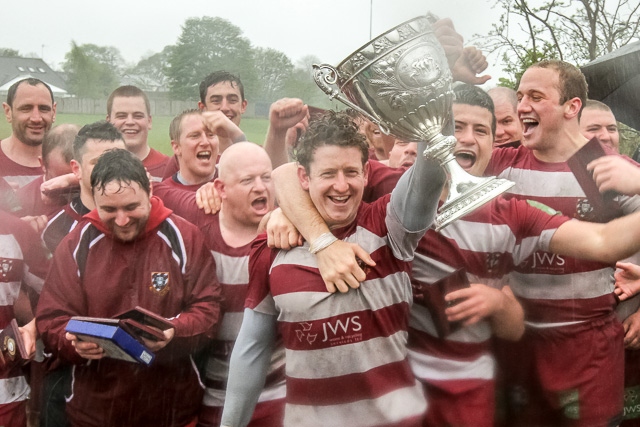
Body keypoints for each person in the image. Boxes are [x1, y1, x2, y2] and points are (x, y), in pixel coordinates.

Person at [220, 111, 446, 427]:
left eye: (351, 171)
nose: (341, 186)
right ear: (303, 178)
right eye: (328, 173)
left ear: (367, 172)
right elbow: (252, 350)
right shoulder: (271, 248)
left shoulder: (389, 226)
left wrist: (434, 95)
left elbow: (431, 171)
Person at [486, 59, 640, 426]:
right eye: (520, 96)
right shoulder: (500, 167)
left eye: (536, 96)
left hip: (589, 350)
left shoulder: (609, 169)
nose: (522, 105)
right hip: (517, 344)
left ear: (572, 107)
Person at [36, 148, 222, 427]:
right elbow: (51, 318)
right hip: (95, 413)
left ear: (149, 192)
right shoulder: (78, 243)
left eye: (131, 207)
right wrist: (73, 343)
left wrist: (176, 331)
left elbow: (209, 308)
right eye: (109, 209)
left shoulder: (184, 236)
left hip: (171, 411)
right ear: (95, 200)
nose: (121, 220)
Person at [1, 78, 56, 189]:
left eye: (44, 109)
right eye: (26, 108)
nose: (36, 118)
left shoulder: (73, 163)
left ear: (53, 112)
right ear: (8, 112)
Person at [106, 85, 169, 181]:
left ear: (149, 121)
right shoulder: (96, 167)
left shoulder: (169, 169)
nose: (130, 122)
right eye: (122, 116)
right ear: (108, 122)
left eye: (138, 116)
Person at [14, 124, 78, 218]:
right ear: (43, 164)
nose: (67, 187)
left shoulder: (99, 192)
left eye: (76, 179)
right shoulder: (21, 202)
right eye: (57, 180)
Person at [162, 110, 219, 191]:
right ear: (176, 147)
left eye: (210, 135)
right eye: (195, 136)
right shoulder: (163, 193)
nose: (205, 142)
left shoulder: (232, 183)